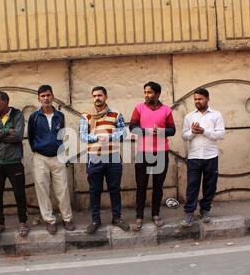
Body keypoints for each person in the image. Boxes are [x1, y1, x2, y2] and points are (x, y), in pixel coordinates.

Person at [79, 86, 130, 234]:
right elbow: (82, 136)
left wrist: (110, 137)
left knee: (115, 189)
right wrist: (96, 138)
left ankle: (117, 218)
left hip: (113, 158)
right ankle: (95, 220)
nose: (97, 98)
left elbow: (123, 132)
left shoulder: (116, 114)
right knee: (94, 191)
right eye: (94, 96)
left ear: (106, 97)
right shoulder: (86, 116)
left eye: (100, 95)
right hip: (94, 159)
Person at [28, 85, 75, 235]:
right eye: (42, 96)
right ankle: (49, 220)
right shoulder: (34, 117)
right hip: (40, 158)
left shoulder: (60, 116)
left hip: (58, 157)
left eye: (48, 95)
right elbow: (30, 137)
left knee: (62, 189)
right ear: (39, 99)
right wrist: (37, 148)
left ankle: (67, 218)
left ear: (53, 96)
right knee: (42, 189)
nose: (46, 98)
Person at [129, 82, 176, 231]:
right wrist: (147, 131)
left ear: (157, 94)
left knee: (158, 186)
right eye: (145, 92)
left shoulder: (166, 110)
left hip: (161, 153)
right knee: (141, 185)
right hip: (143, 152)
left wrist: (160, 132)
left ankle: (156, 214)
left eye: (149, 92)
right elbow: (132, 127)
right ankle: (139, 216)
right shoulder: (139, 108)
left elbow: (172, 130)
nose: (146, 95)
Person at [0, 91, 29, 240]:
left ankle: (22, 222)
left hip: (14, 162)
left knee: (20, 194)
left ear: (5, 102)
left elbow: (17, 136)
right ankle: (0, 223)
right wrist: (5, 131)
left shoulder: (17, 115)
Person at [181, 89, 225, 227]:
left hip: (211, 156)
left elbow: (221, 134)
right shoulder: (189, 117)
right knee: (192, 186)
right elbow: (184, 136)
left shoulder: (216, 115)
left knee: (210, 186)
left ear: (207, 99)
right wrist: (193, 133)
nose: (197, 102)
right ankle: (189, 213)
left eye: (200, 99)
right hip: (194, 157)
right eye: (195, 99)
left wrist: (204, 131)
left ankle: (205, 210)